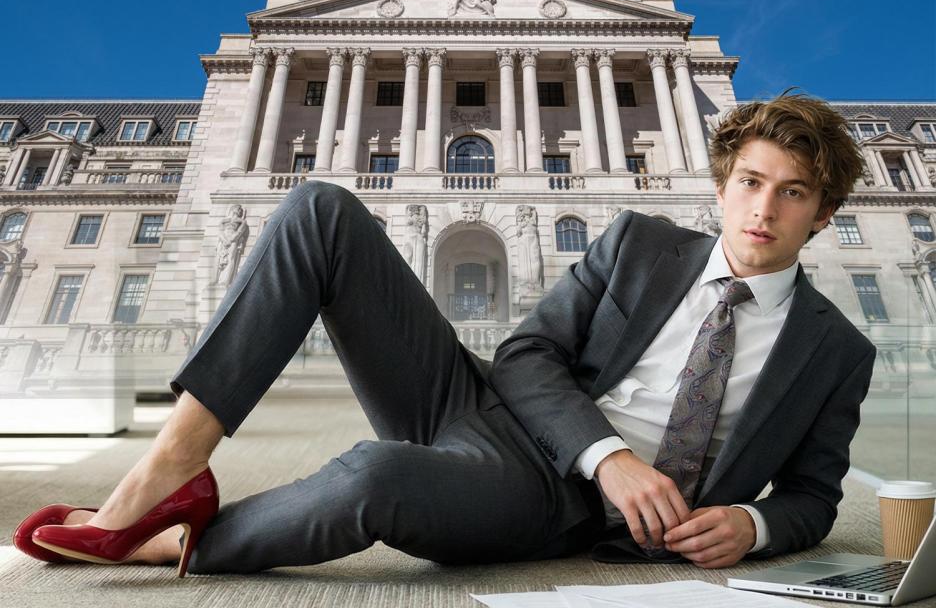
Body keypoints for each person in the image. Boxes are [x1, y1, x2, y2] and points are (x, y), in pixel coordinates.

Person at [17, 91, 873, 577]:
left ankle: (173, 536)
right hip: (498, 408)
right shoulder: (640, 244)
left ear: (824, 213)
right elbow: (528, 356)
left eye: (793, 192)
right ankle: (172, 465)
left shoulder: (836, 352)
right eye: (751, 182)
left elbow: (813, 497)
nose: (763, 208)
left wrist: (754, 529)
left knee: (376, 474)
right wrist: (610, 454)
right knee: (320, 209)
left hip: (549, 501)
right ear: (722, 187)